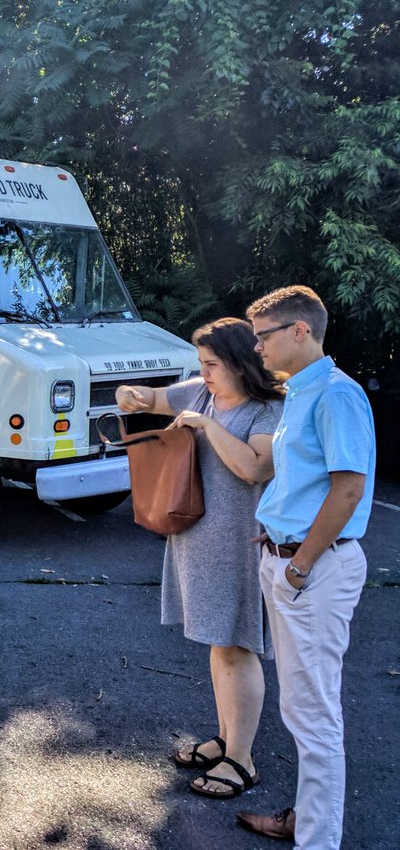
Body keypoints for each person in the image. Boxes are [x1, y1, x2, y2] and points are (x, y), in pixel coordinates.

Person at [116, 317, 283, 799]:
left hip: (239, 543)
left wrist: (207, 426)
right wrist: (132, 394)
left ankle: (242, 760)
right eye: (200, 365)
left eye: (211, 365)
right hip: (195, 536)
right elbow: (150, 398)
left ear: (238, 363)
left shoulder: (269, 409)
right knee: (218, 643)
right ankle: (227, 740)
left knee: (237, 644)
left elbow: (255, 469)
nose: (203, 373)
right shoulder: (199, 392)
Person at [236, 286, 375, 847]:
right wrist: (273, 534)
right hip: (290, 562)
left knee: (314, 715)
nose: (257, 347)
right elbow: (303, 483)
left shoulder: (337, 395)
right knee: (303, 708)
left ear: (300, 331)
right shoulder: (300, 392)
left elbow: (348, 491)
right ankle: (306, 819)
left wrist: (298, 566)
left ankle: (318, 839)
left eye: (263, 336)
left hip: (313, 570)